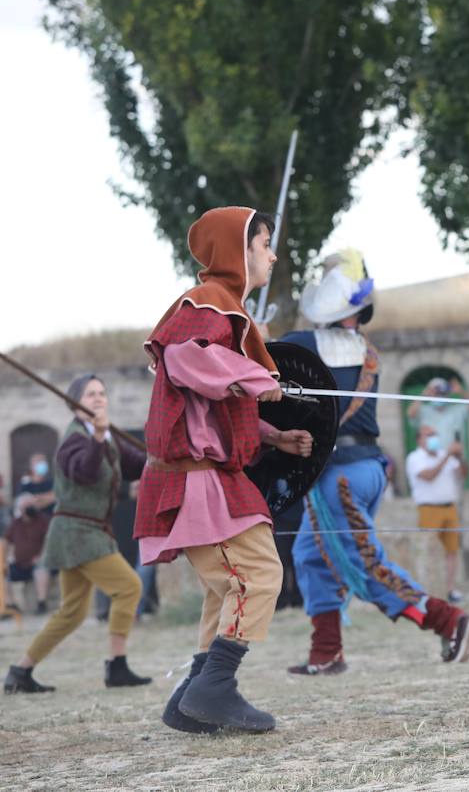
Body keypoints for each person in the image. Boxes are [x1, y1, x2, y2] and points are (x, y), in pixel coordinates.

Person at [133, 206, 314, 734]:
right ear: (237, 250)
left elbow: (213, 404)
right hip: (195, 480)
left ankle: (192, 695)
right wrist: (257, 378)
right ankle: (214, 688)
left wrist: (274, 434)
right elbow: (186, 360)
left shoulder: (223, 312)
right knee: (258, 574)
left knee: (227, 586)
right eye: (263, 243)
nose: (272, 254)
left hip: (206, 476)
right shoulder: (205, 305)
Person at [284, 250, 469, 676]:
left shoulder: (303, 344)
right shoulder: (368, 353)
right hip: (367, 468)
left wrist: (254, 337)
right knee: (310, 554)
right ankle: (326, 651)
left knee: (362, 562)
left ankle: (448, 620)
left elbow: (263, 363)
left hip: (340, 477)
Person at [4, 376, 151, 694]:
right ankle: (117, 666)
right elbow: (85, 473)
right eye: (90, 394)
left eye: (102, 393)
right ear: (74, 403)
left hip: (88, 530)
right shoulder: (73, 440)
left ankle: (19, 672)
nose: (98, 399)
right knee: (129, 587)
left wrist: (158, 460)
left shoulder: (107, 436)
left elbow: (136, 463)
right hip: (77, 531)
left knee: (72, 612)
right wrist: (98, 437)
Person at [405, 424, 465, 602]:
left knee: (452, 551)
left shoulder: (444, 455)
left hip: (450, 507)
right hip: (429, 508)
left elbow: (463, 474)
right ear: (419, 440)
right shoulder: (415, 458)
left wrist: (459, 456)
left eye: (434, 434)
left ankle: (450, 589)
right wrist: (448, 455)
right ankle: (428, 590)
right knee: (428, 550)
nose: (433, 438)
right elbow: (429, 476)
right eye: (428, 435)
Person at [15, 453, 55, 611]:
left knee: (43, 564)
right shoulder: (25, 485)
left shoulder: (51, 482)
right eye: (37, 462)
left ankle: (42, 602)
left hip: (50, 530)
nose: (41, 465)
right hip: (32, 534)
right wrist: (45, 499)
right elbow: (24, 503)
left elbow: (57, 496)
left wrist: (36, 500)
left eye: (42, 461)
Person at [407, 376, 469, 455]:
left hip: (455, 457)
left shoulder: (457, 409)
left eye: (442, 393)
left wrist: (461, 391)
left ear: (447, 393)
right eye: (436, 393)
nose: (439, 396)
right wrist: (423, 395)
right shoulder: (423, 410)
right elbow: (410, 413)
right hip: (430, 458)